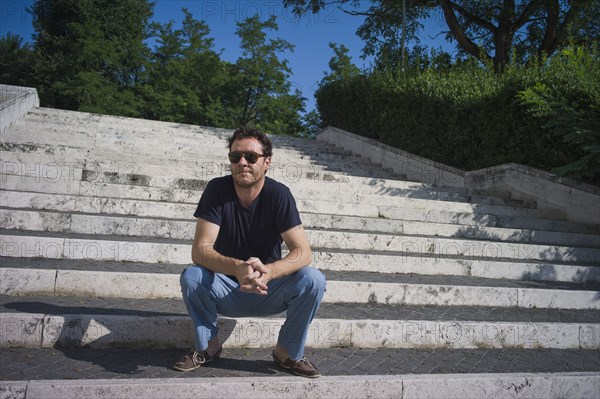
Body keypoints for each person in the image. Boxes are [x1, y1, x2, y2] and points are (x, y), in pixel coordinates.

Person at [174, 126, 326, 378]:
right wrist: (237, 268)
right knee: (192, 275)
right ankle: (208, 347)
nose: (242, 162)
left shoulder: (279, 194)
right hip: (227, 289)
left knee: (313, 279)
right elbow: (200, 251)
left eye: (251, 157)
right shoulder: (216, 190)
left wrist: (269, 271)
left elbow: (303, 252)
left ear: (267, 162)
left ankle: (287, 352)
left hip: (269, 289)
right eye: (236, 157)